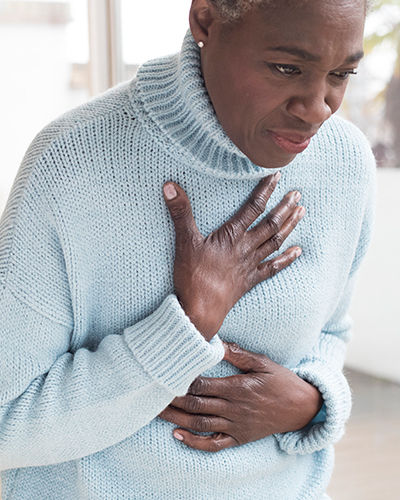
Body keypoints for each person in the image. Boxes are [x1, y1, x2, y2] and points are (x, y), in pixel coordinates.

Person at [0, 0, 375, 498]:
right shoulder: (71, 165)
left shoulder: (345, 164)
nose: (316, 107)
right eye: (287, 67)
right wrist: (189, 325)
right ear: (205, 20)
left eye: (342, 73)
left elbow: (330, 332)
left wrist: (311, 402)